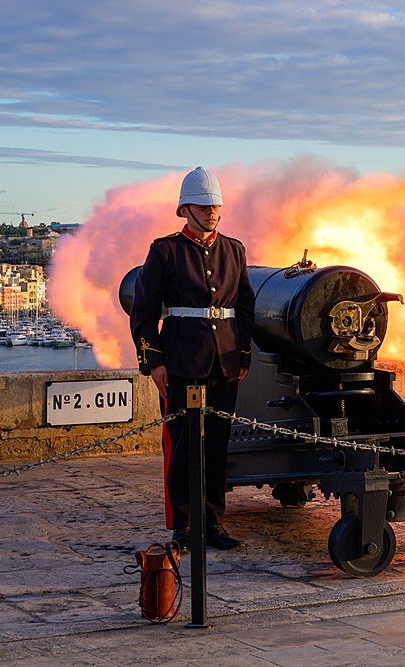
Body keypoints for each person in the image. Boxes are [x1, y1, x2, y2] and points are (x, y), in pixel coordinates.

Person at [130, 167, 255, 552]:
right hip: (182, 361)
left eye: (216, 205)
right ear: (185, 209)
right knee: (183, 445)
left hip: (225, 363)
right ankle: (183, 527)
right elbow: (145, 311)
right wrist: (153, 363)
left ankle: (212, 522)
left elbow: (245, 307)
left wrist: (243, 355)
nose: (212, 212)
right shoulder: (164, 250)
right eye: (203, 205)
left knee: (217, 446)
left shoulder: (234, 250)